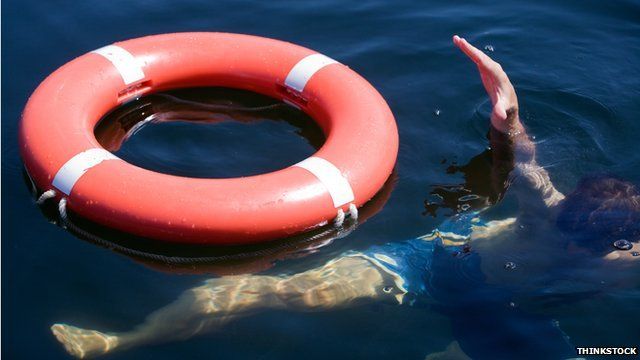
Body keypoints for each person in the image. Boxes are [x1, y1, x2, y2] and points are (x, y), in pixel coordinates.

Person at [50, 35, 640, 359]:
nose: (554, 211)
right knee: (261, 291)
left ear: (607, 244)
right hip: (436, 262)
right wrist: (504, 106)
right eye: (559, 210)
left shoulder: (626, 262)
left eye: (563, 218)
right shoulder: (552, 210)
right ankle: (120, 342)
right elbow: (523, 155)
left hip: (514, 317)